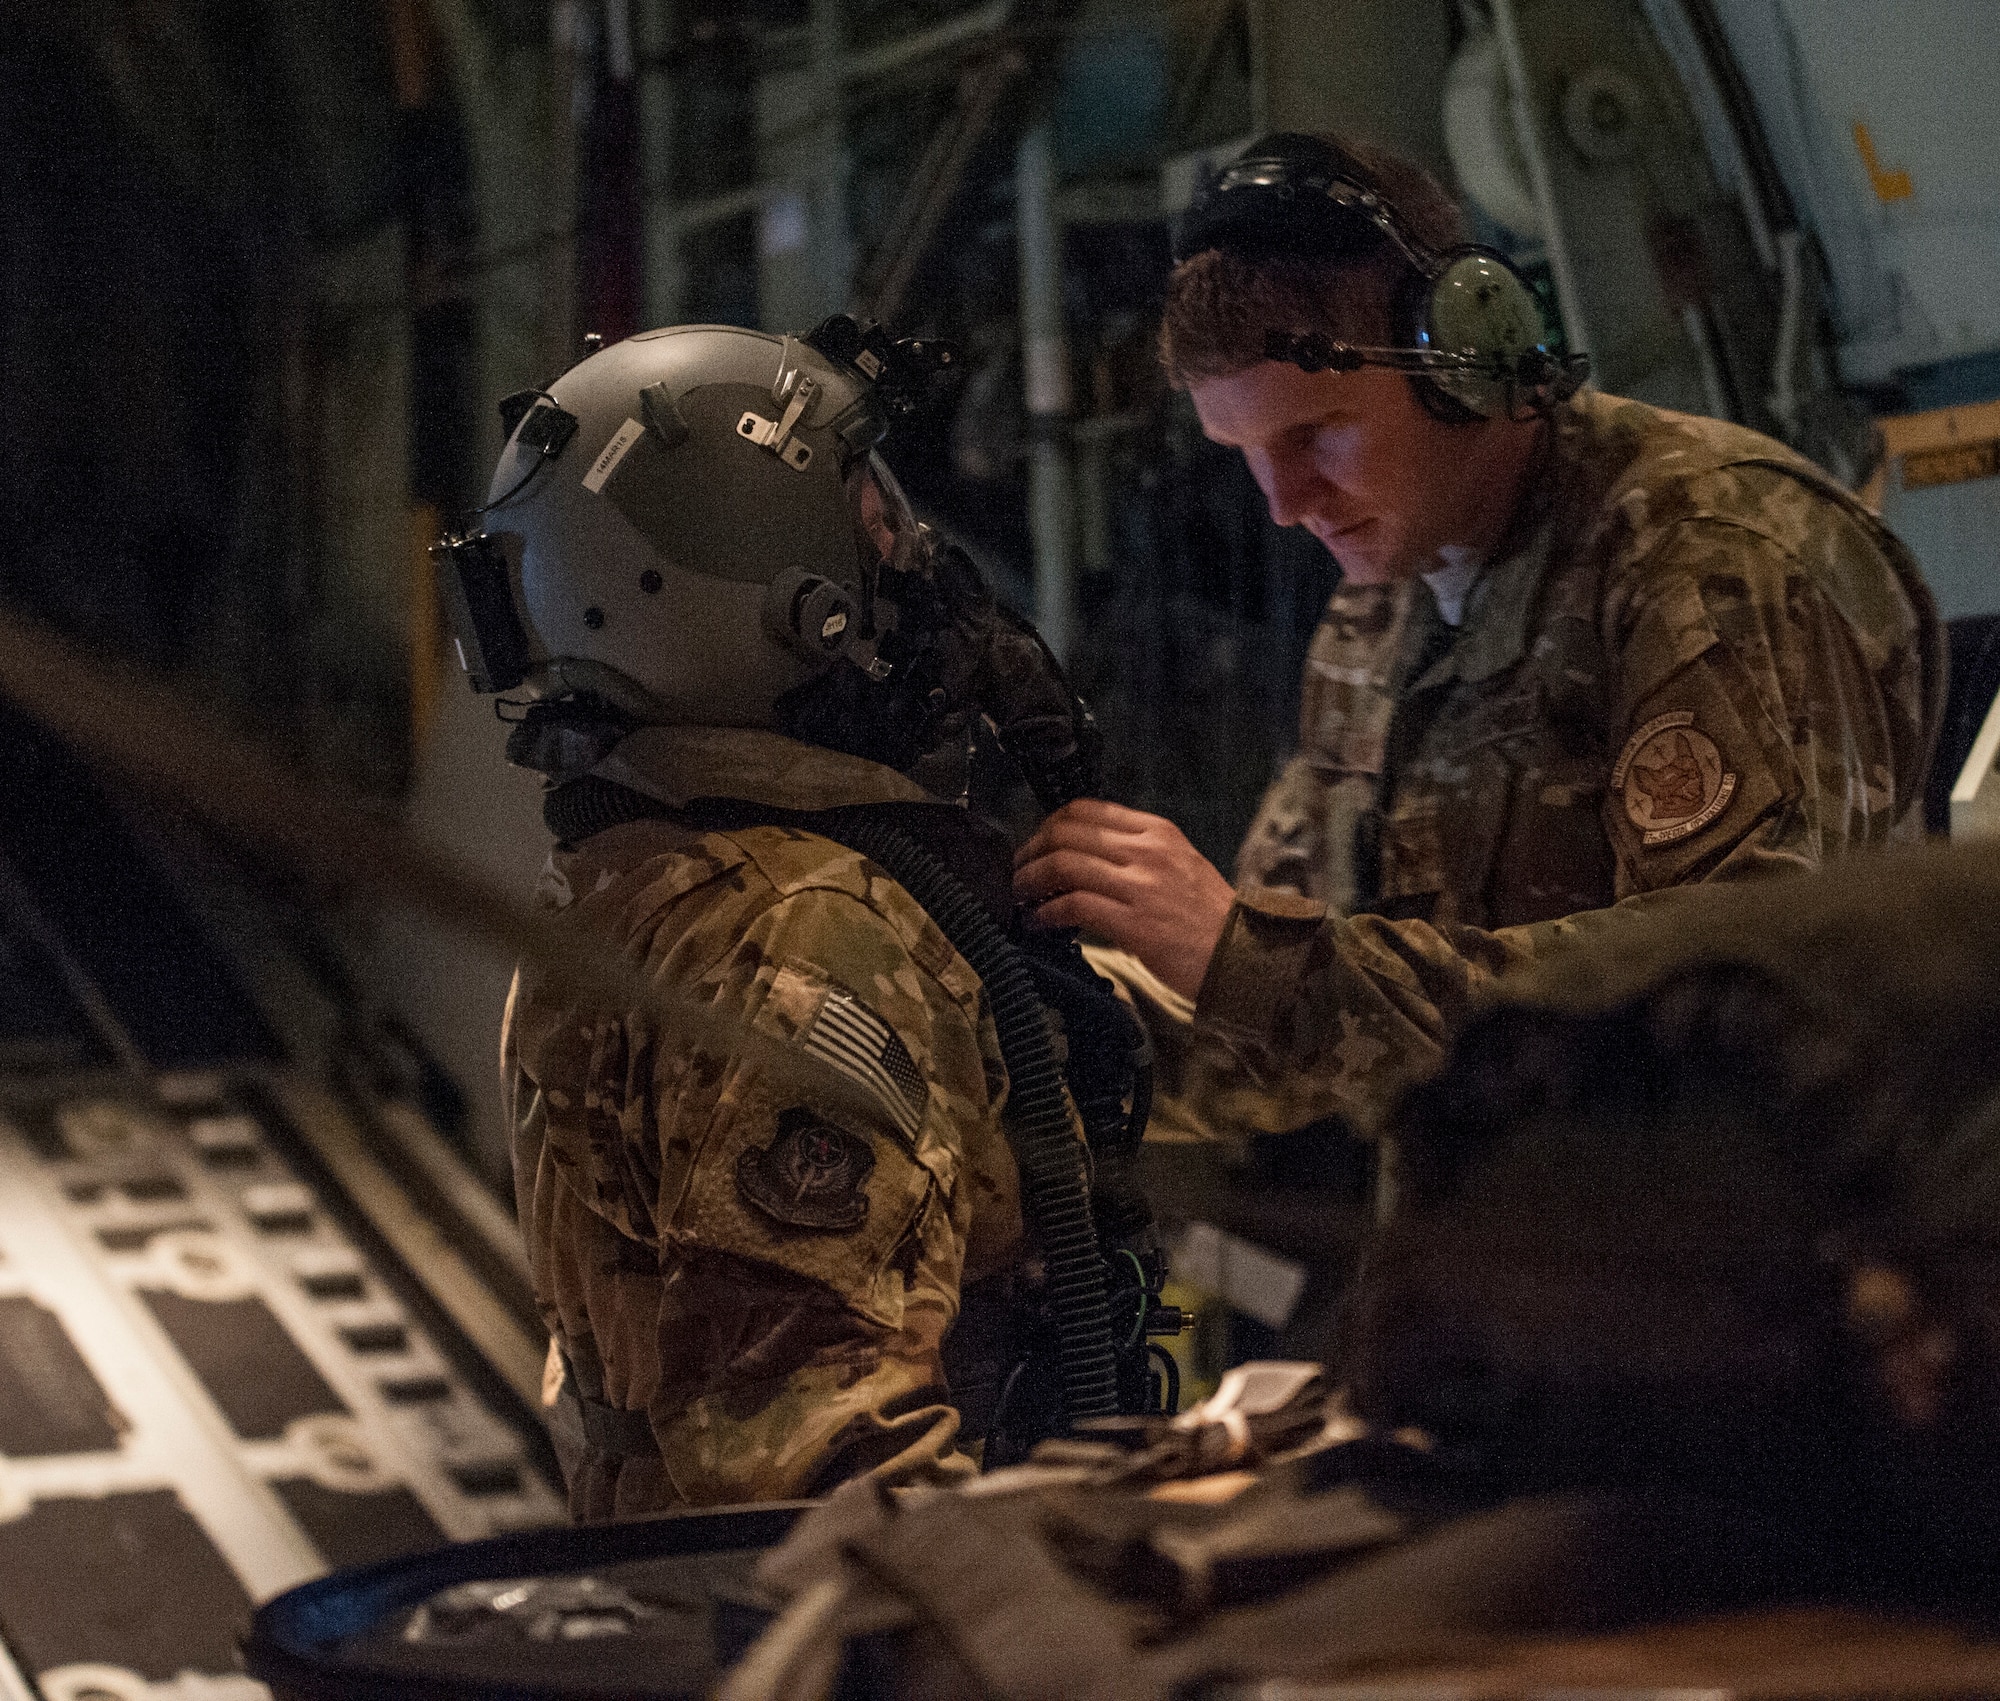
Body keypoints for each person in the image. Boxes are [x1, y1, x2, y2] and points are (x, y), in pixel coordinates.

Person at [1014, 132, 1944, 1141]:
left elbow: (1731, 1001)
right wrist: (995, 1023)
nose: (1283, 503)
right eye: (1241, 453)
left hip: (1729, 1277)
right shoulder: (1374, 613)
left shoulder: (1712, 557)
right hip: (1495, 1259)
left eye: (1315, 432)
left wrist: (1253, 962)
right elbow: (1291, 1046)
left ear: (1460, 354)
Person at [441, 320, 1160, 1516]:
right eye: (872, 520)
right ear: (762, 586)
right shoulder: (805, 934)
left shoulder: (654, 864)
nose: (912, 554)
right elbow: (834, 1481)